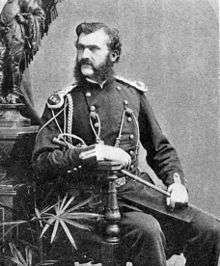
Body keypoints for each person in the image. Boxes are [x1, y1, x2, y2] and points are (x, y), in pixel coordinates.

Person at [32, 22, 220, 266]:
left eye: (93, 49)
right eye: (80, 48)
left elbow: (160, 149)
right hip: (90, 199)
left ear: (114, 55)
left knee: (209, 229)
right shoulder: (64, 102)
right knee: (148, 230)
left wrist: (176, 183)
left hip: (135, 190)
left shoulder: (132, 95)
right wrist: (91, 153)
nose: (84, 56)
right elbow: (41, 162)